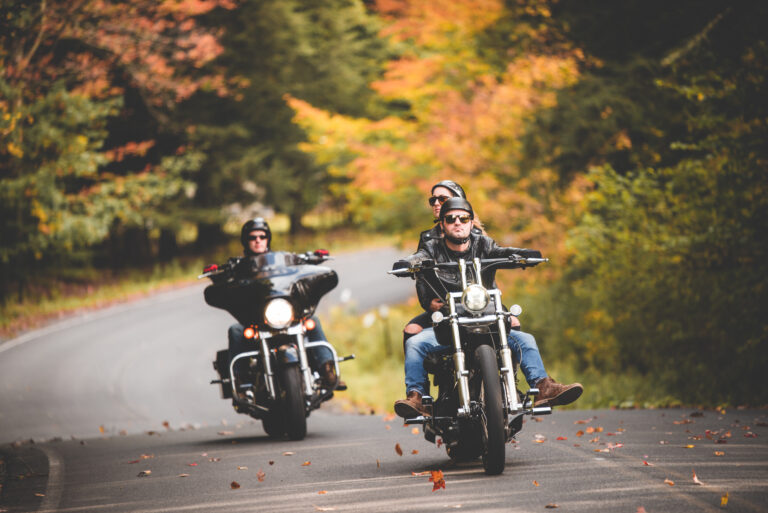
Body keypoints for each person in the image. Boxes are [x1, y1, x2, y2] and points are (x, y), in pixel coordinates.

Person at [393, 198, 583, 418]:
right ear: (442, 224)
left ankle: (544, 387)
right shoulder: (432, 248)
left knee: (526, 340)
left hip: (488, 320)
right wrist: (409, 264)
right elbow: (419, 257)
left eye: (463, 218)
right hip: (451, 322)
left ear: (471, 222)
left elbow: (503, 252)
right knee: (415, 343)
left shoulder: (483, 244)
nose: (458, 222)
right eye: (451, 219)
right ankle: (417, 398)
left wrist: (526, 255)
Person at [227, 217, 341, 390]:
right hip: (256, 320)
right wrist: (220, 273)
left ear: (268, 239)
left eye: (262, 236)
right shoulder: (238, 267)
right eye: (252, 237)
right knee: (236, 331)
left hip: (282, 313)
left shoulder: (280, 261)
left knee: (312, 321)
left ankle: (327, 370)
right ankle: (240, 382)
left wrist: (312, 259)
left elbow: (297, 269)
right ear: (246, 241)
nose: (258, 240)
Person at [402, 180, 485, 345]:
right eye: (433, 200)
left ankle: (507, 360)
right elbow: (421, 276)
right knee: (411, 330)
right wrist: (428, 303)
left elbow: (488, 270)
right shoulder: (427, 238)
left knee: (512, 322)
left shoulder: (477, 236)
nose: (436, 203)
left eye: (442, 199)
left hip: (476, 304)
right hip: (443, 307)